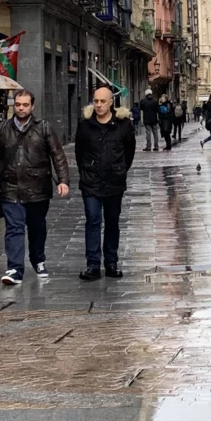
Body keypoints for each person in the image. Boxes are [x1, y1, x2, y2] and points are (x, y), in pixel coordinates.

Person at [0, 89, 69, 285]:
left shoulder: (44, 128)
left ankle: (38, 259)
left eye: (25, 105)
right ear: (13, 105)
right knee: (14, 229)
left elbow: (57, 155)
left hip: (37, 188)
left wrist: (63, 180)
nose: (21, 108)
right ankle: (15, 268)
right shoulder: (2, 129)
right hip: (10, 188)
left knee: (37, 228)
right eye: (18, 105)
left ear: (32, 106)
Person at [75, 87, 136, 281]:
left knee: (112, 222)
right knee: (93, 221)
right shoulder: (85, 125)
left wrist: (119, 169)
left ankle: (111, 262)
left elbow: (129, 151)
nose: (99, 105)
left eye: (103, 101)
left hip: (114, 182)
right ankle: (93, 264)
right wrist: (86, 170)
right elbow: (79, 152)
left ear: (111, 102)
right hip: (90, 182)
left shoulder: (123, 125)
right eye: (96, 101)